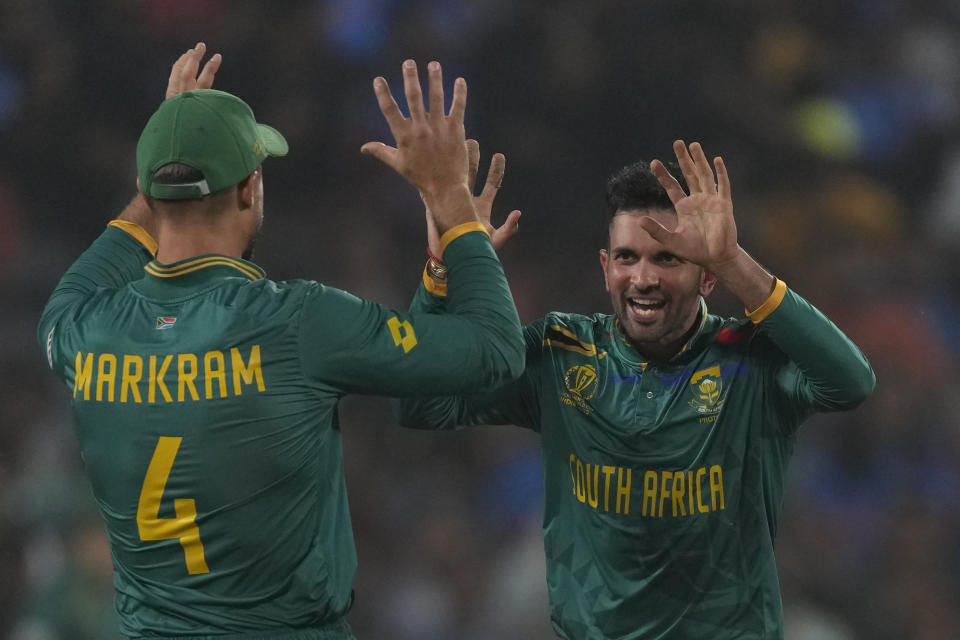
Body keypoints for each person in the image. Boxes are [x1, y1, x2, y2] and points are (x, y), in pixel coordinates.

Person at [36, 43, 524, 639]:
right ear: (250, 188)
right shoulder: (296, 322)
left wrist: (171, 150)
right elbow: (495, 349)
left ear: (149, 189)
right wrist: (453, 208)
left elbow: (64, 305)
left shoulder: (83, 331)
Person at [398, 139, 876, 639]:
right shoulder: (561, 353)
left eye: (667, 259)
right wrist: (442, 265)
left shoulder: (750, 360)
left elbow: (851, 382)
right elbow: (422, 402)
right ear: (605, 266)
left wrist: (736, 262)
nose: (642, 278)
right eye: (627, 257)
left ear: (707, 277)